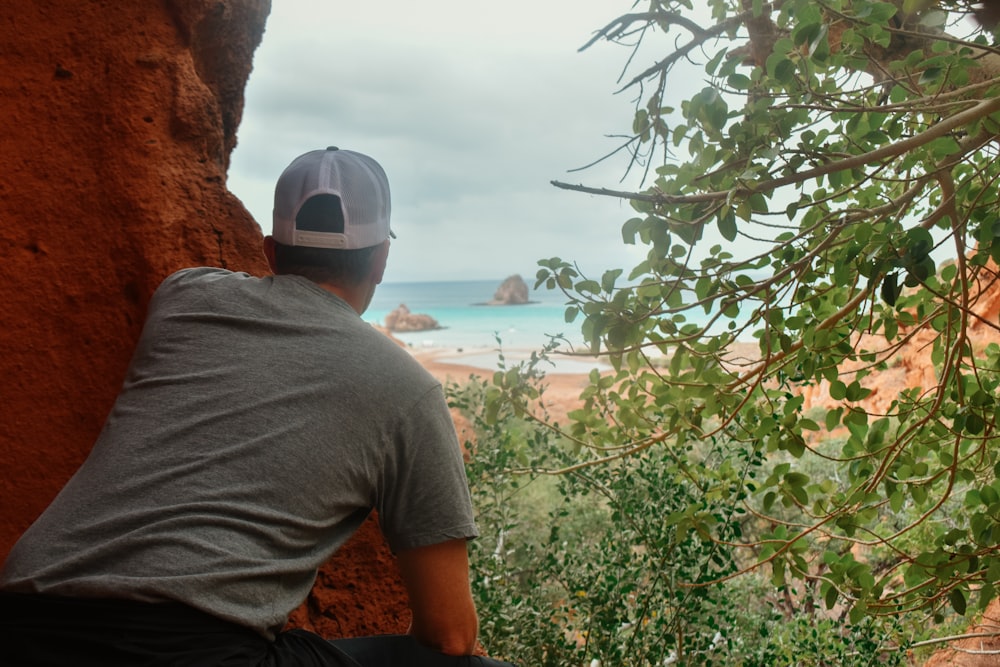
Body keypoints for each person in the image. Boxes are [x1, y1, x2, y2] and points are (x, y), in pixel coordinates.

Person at [0, 146, 516, 667]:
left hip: (22, 624)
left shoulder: (182, 297)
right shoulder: (407, 389)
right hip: (191, 651)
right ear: (381, 258)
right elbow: (450, 635)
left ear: (269, 251)